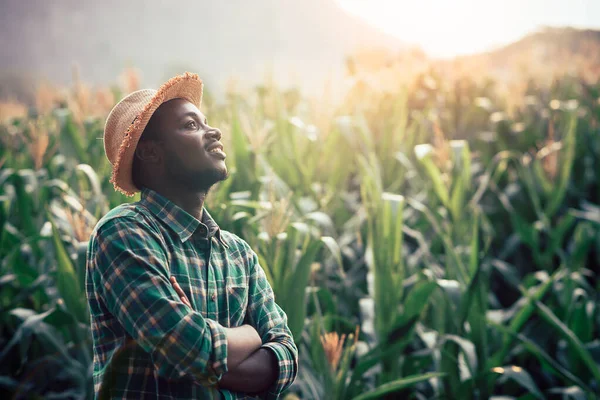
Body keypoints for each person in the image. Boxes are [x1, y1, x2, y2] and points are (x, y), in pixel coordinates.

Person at [85, 72, 298, 399]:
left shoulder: (238, 253)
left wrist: (207, 352)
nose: (214, 132)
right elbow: (186, 348)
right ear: (150, 152)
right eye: (190, 126)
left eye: (206, 122)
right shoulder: (124, 233)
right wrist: (253, 335)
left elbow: (286, 357)